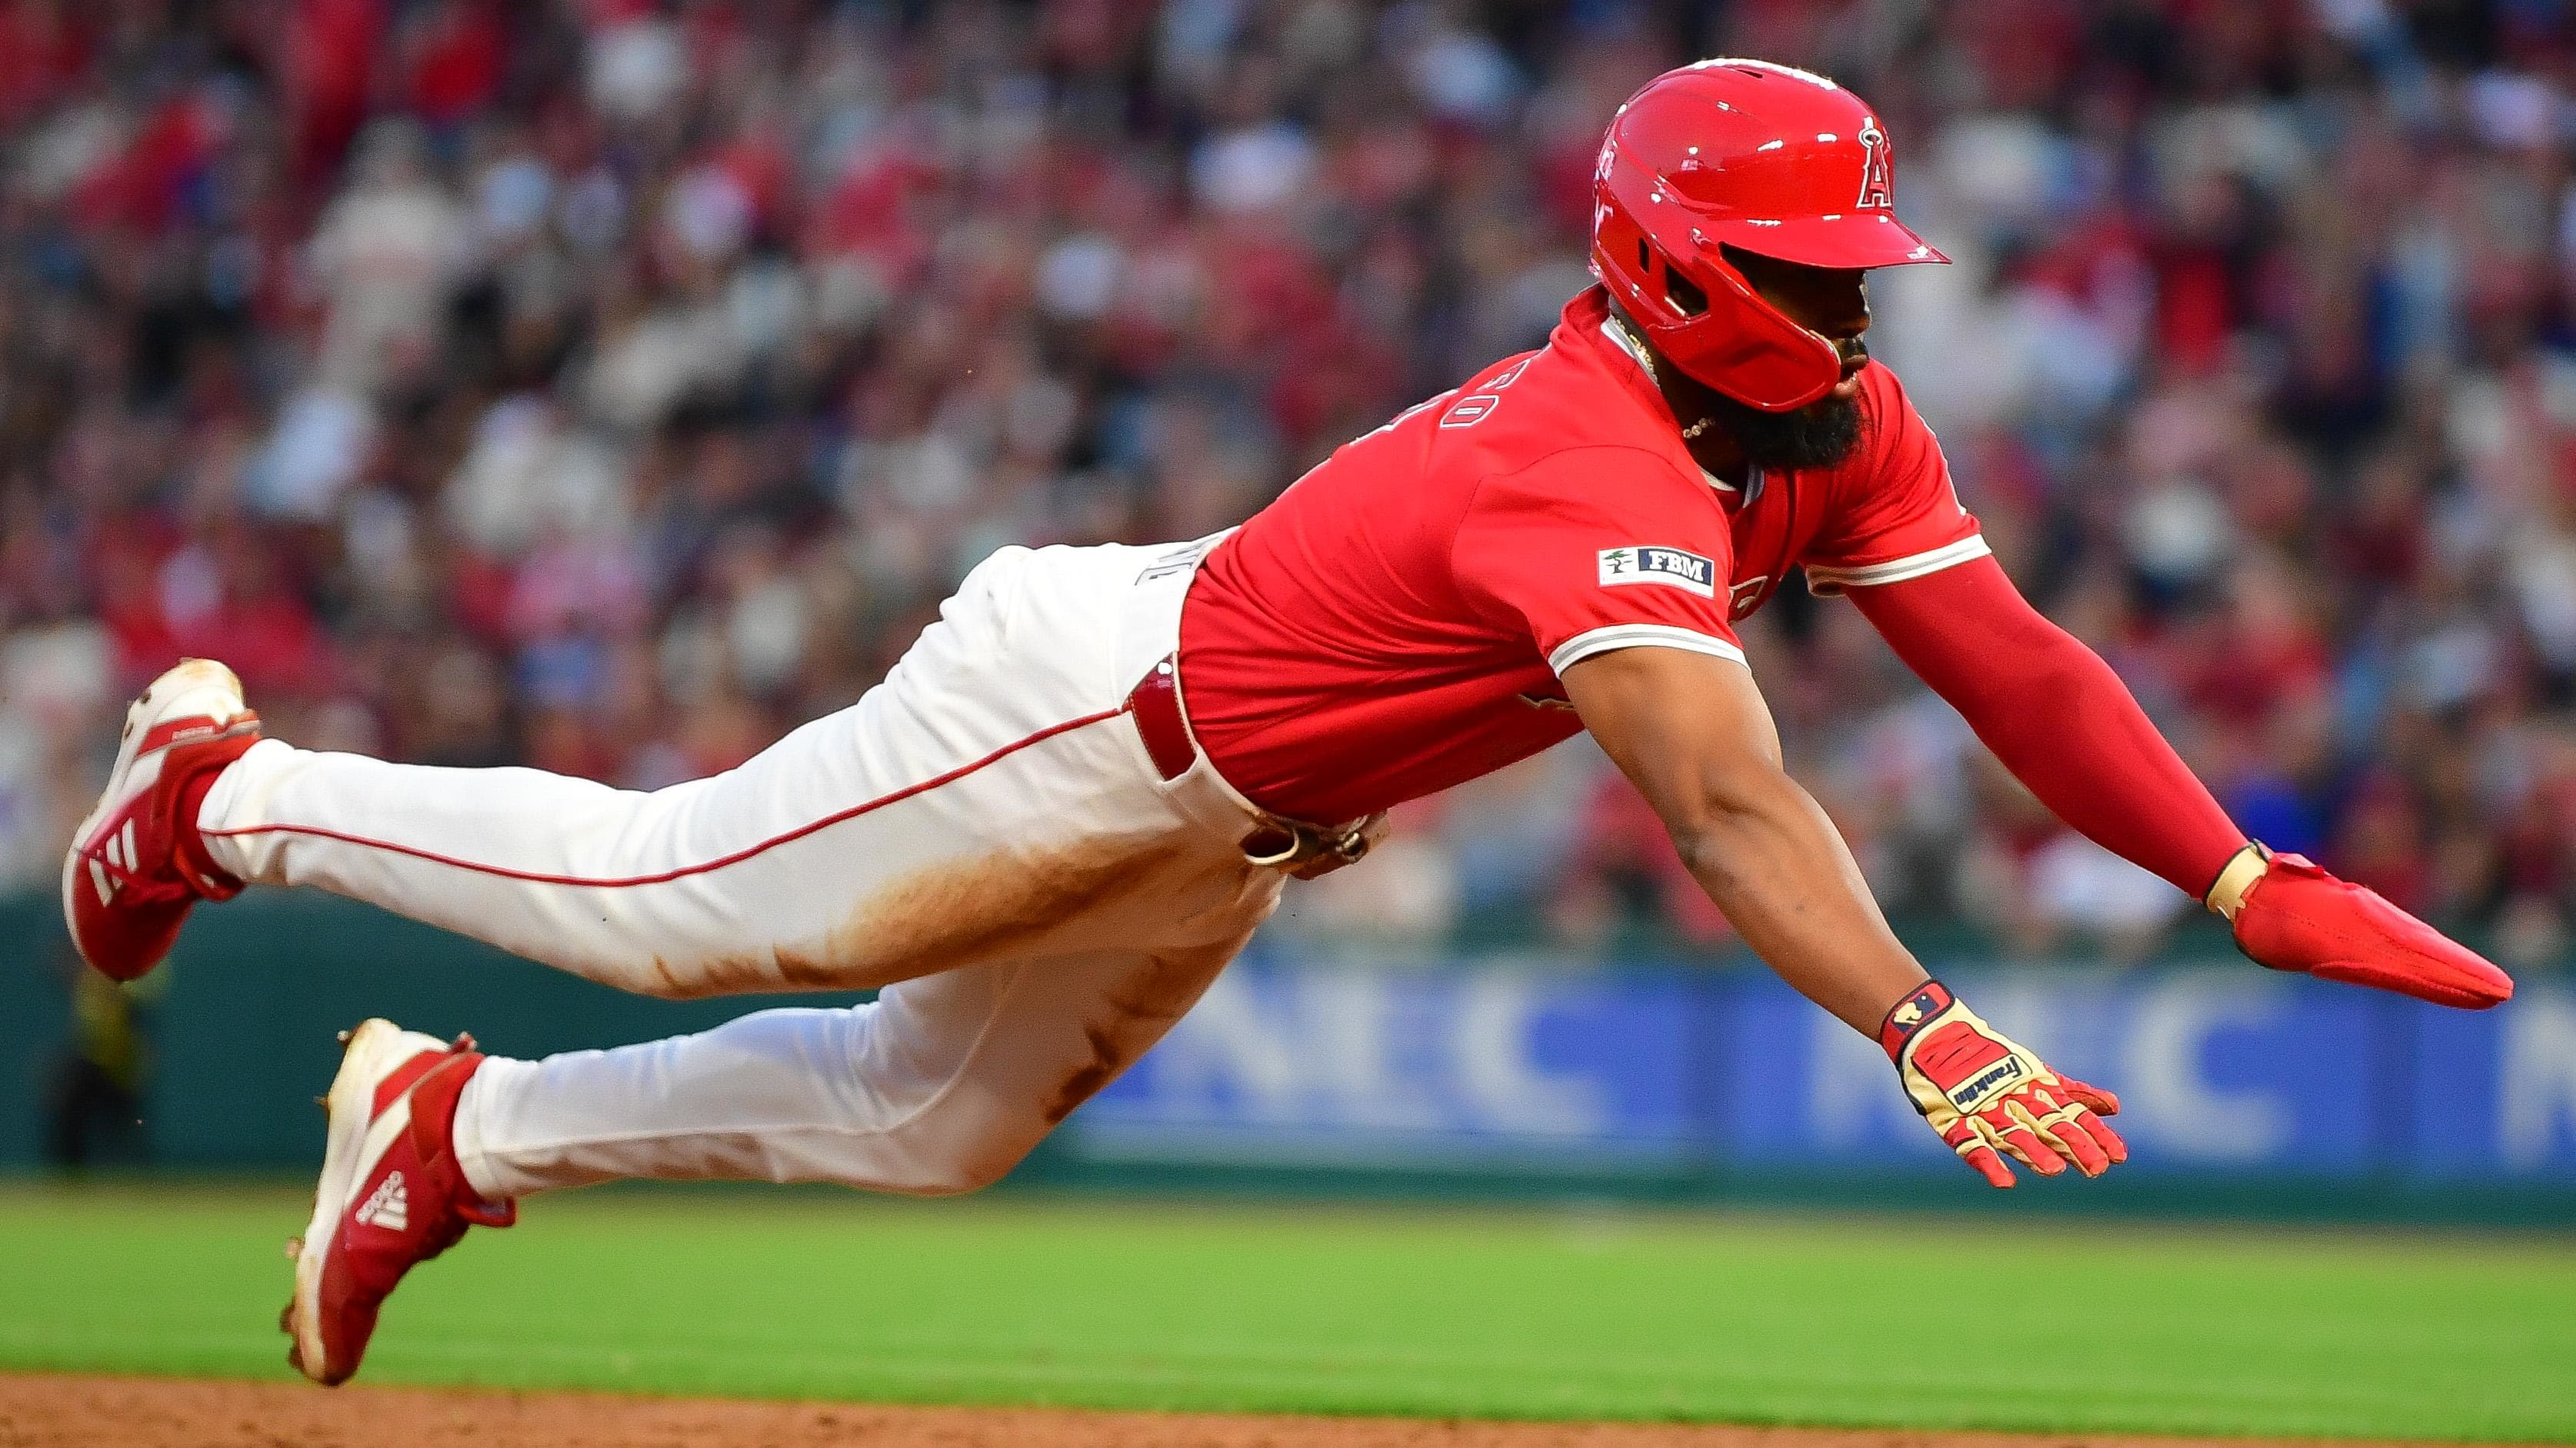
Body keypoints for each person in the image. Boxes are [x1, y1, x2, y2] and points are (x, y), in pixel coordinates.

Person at [62, 59, 2512, 1388]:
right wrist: (1924, 1022)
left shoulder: (1831, 425)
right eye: (1799, 263)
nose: (1844, 305)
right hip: (1083, 714)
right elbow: (1723, 795)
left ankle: (457, 1129)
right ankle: (227, 789)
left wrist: (2232, 874)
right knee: (680, 908)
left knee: (927, 1132)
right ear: (1671, 259)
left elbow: (2022, 666)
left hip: (1242, 810)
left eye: (1853, 262)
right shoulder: (1589, 463)